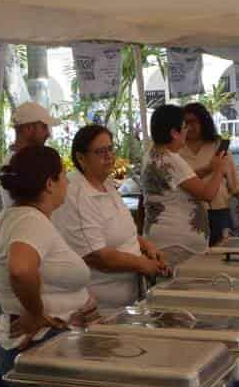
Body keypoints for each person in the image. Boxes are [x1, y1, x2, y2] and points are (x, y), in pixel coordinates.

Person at [0, 146, 96, 369]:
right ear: (50, 184)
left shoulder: (12, 215)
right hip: (42, 344)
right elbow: (20, 270)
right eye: (64, 176)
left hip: (48, 340)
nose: (67, 182)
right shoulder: (30, 220)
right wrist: (36, 314)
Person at [52, 125, 169, 311]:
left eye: (110, 149)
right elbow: (97, 256)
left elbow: (121, 231)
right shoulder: (77, 193)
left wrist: (147, 246)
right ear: (81, 158)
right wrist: (142, 264)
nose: (108, 156)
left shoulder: (105, 183)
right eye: (100, 152)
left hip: (127, 298)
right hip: (99, 305)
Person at [142, 104, 230, 265]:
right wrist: (218, 170)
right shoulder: (172, 159)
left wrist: (209, 168)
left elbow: (183, 182)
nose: (187, 131)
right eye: (184, 127)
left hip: (163, 237)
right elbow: (207, 194)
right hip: (177, 242)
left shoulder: (154, 154)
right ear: (174, 133)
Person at [179, 103, 239, 243]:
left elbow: (233, 178)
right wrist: (210, 168)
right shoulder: (177, 148)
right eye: (185, 123)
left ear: (203, 122)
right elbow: (180, 179)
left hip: (219, 211)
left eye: (193, 122)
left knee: (223, 255)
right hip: (188, 213)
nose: (189, 127)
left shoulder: (216, 144)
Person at [0, 101, 59, 209]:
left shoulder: (19, 160)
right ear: (29, 129)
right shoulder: (16, 163)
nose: (48, 134)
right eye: (44, 127)